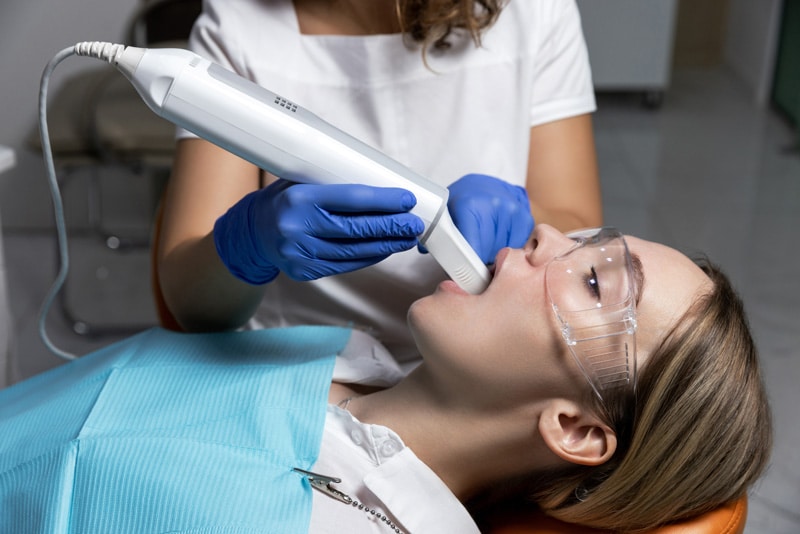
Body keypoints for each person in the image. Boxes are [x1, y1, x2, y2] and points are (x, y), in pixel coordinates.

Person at [0, 225, 772, 533]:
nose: (546, 235)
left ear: (574, 428)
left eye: (597, 284)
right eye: (584, 242)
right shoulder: (345, 353)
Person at [156, 0, 603, 364]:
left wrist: (524, 220)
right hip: (303, 370)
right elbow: (191, 304)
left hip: (474, 368)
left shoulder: (534, 12)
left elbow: (580, 228)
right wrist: (248, 242)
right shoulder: (238, 28)